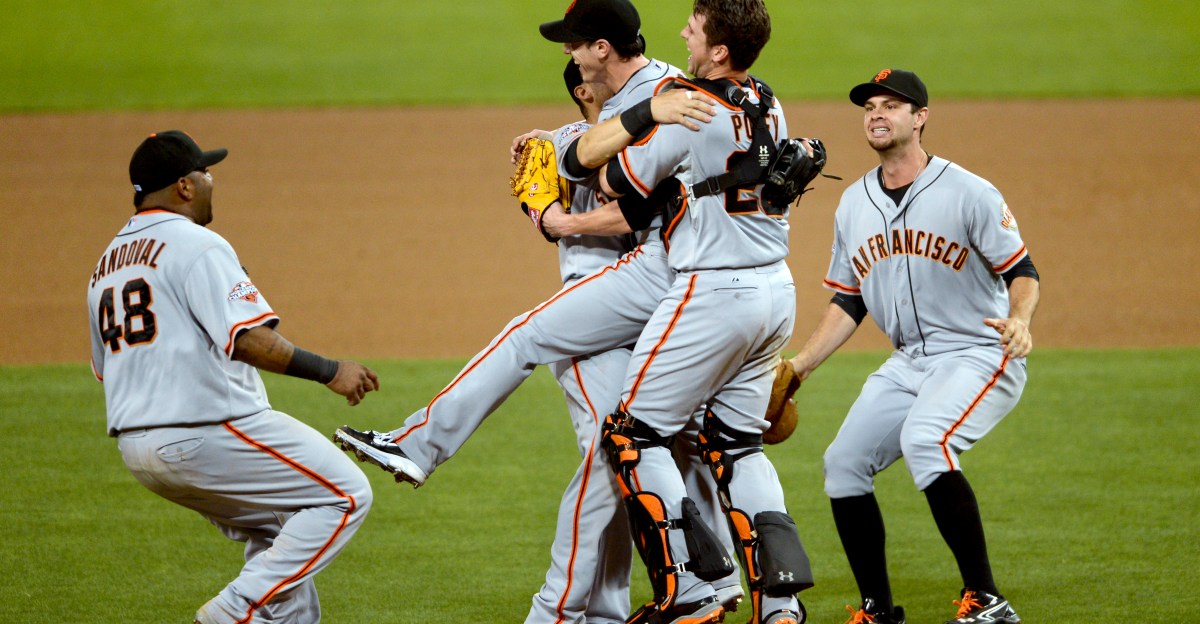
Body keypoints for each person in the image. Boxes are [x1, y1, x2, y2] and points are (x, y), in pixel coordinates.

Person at [334, 1, 744, 620]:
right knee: (623, 455)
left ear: (601, 51)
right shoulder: (574, 131)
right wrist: (544, 201)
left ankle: (585, 601)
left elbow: (633, 202)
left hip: (656, 283)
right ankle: (660, 593)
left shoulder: (663, 95)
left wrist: (557, 216)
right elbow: (565, 161)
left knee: (615, 437)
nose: (569, 59)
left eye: (575, 46)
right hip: (617, 313)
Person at [87, 130, 380, 624]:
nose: (211, 179)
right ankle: (233, 611)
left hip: (139, 451)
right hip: (208, 431)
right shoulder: (197, 244)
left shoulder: (103, 269)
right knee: (346, 495)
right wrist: (333, 371)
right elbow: (250, 341)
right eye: (204, 171)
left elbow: (105, 370)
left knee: (279, 531)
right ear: (183, 186)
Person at [590, 2, 816, 623]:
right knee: (737, 444)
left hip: (716, 292)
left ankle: (687, 593)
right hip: (776, 292)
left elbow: (614, 181)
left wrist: (635, 128)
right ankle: (781, 607)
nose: (684, 32)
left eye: (697, 26)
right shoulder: (766, 98)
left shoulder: (689, 106)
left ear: (719, 50)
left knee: (632, 436)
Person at [786, 69, 1038, 624]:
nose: (877, 114)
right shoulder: (853, 203)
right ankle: (877, 610)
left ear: (920, 117)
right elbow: (849, 301)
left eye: (891, 105)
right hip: (909, 362)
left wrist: (1020, 319)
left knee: (928, 440)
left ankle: (987, 601)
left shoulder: (968, 191)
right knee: (842, 463)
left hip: (977, 352)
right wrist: (800, 366)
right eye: (869, 106)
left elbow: (1021, 268)